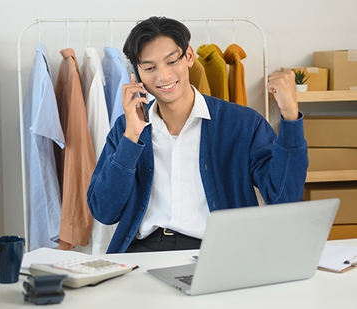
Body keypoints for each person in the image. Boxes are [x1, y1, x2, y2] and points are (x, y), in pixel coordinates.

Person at [86, 16, 308, 254]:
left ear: (189, 57)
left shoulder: (242, 123)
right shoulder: (126, 128)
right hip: (143, 253)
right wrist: (131, 138)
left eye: (171, 62)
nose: (163, 76)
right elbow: (104, 211)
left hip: (218, 253)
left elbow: (284, 198)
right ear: (137, 74)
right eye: (149, 68)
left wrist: (290, 116)